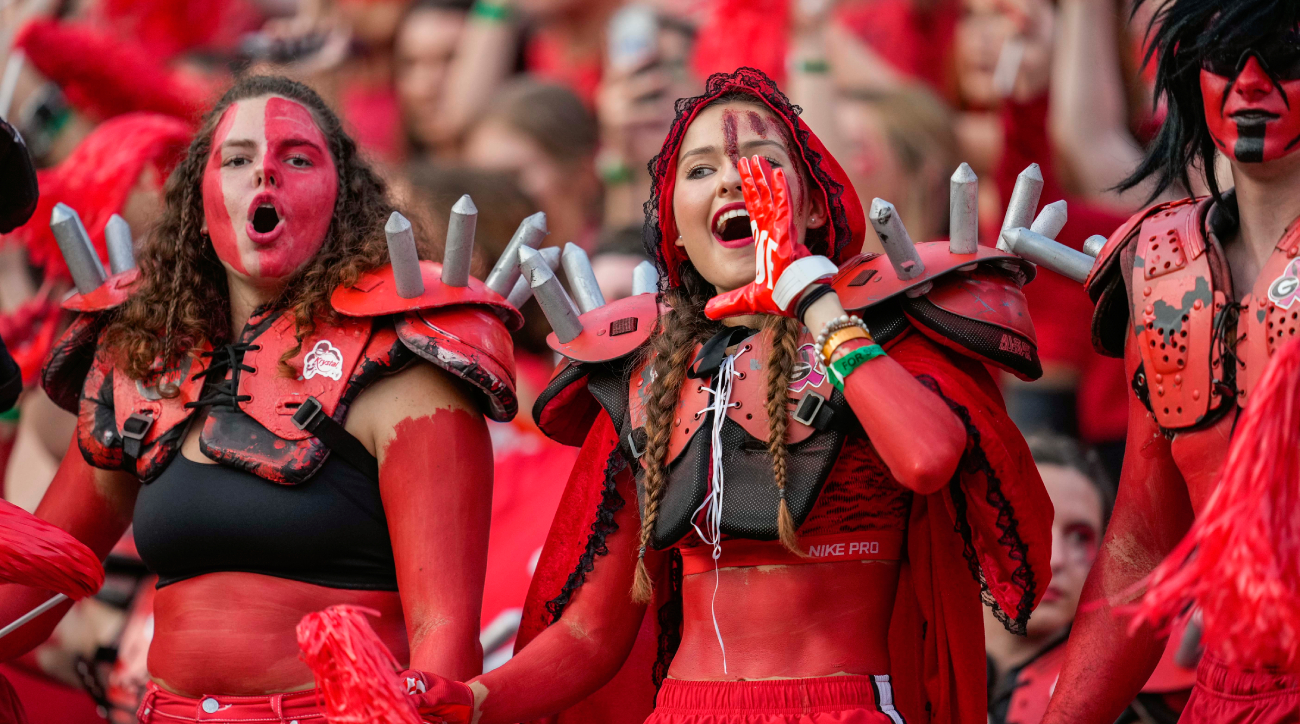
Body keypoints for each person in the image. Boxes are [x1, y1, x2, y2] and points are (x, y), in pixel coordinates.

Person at [397, 67, 1052, 724]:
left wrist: (812, 297)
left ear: (819, 204)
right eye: (701, 169)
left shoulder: (880, 342)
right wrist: (471, 699)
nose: (734, 179)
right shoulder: (646, 375)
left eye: (764, 160)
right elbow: (589, 634)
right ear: (676, 228)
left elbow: (928, 458)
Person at [0, 75, 517, 722]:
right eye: (238, 159)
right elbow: (34, 590)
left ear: (343, 194)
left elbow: (445, 633)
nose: (264, 175)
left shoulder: (406, 365)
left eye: (296, 158)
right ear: (200, 194)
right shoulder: (139, 364)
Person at [1041, 1, 1300, 721]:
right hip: (1227, 691)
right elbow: (1141, 551)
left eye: (1286, 58)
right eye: (1228, 57)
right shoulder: (1166, 272)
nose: (1252, 83)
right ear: (1192, 75)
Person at [463, 79, 602, 251]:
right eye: (478, 179)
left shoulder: (624, 264)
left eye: (511, 175)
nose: (491, 194)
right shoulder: (476, 268)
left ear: (583, 175)